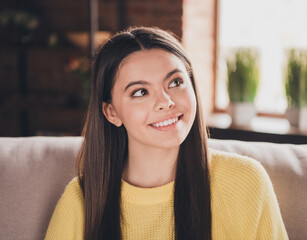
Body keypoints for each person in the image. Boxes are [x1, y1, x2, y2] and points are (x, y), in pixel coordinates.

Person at [44, 26, 288, 240]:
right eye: (140, 92)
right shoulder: (80, 202)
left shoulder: (246, 182)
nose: (166, 102)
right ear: (111, 112)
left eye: (175, 82)